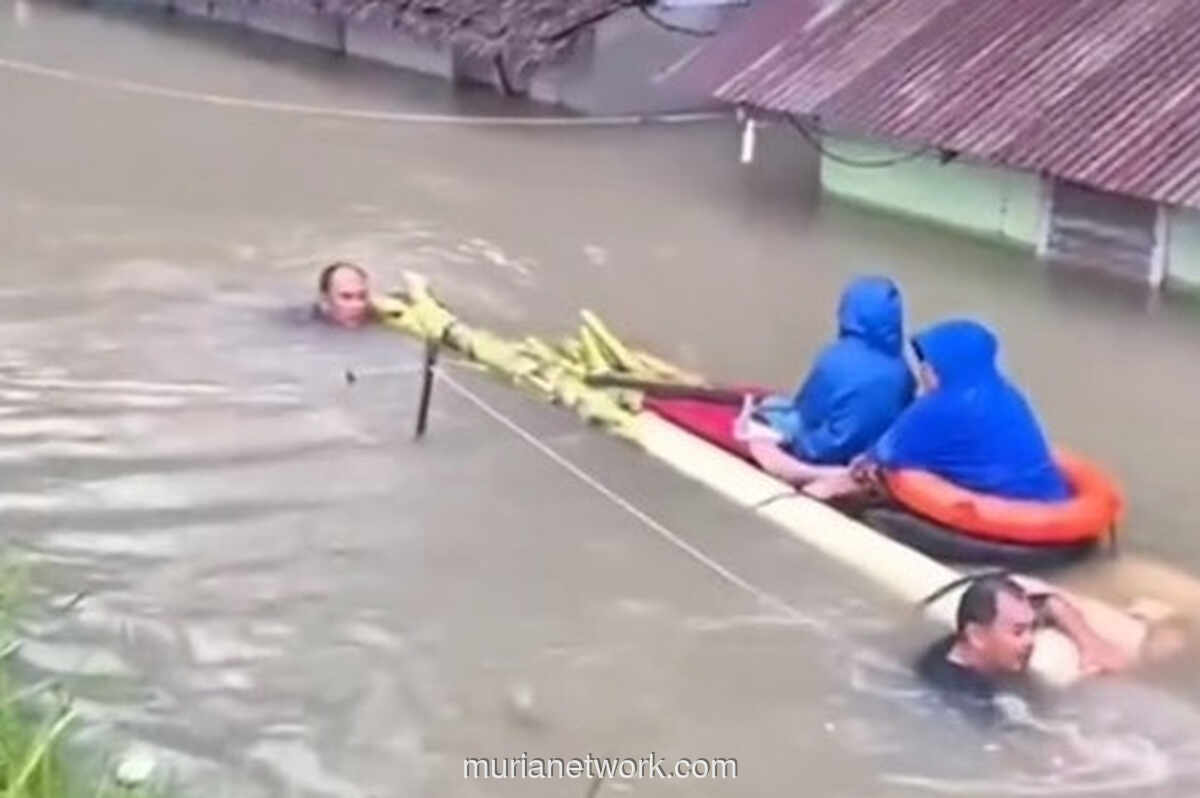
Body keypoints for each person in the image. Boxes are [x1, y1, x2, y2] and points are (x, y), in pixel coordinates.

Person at [806, 318, 1068, 501]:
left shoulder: (939, 410)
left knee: (867, 477)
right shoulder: (1008, 394)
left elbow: (875, 459)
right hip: (1050, 499)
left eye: (927, 363)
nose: (923, 370)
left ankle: (811, 494)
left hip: (1005, 515)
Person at [742, 276, 915, 485]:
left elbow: (808, 408)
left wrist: (801, 443)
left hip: (821, 451)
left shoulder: (835, 358)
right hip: (868, 455)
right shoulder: (904, 371)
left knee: (772, 408)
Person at [918, 575, 1131, 722]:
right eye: (1018, 632)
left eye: (1032, 628)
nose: (1031, 640)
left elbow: (1049, 603)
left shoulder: (981, 641)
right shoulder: (959, 693)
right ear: (976, 636)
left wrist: (1091, 644)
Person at [315, 261, 373, 328]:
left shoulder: (378, 317)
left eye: (362, 296)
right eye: (346, 297)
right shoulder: (305, 325)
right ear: (326, 300)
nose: (357, 305)